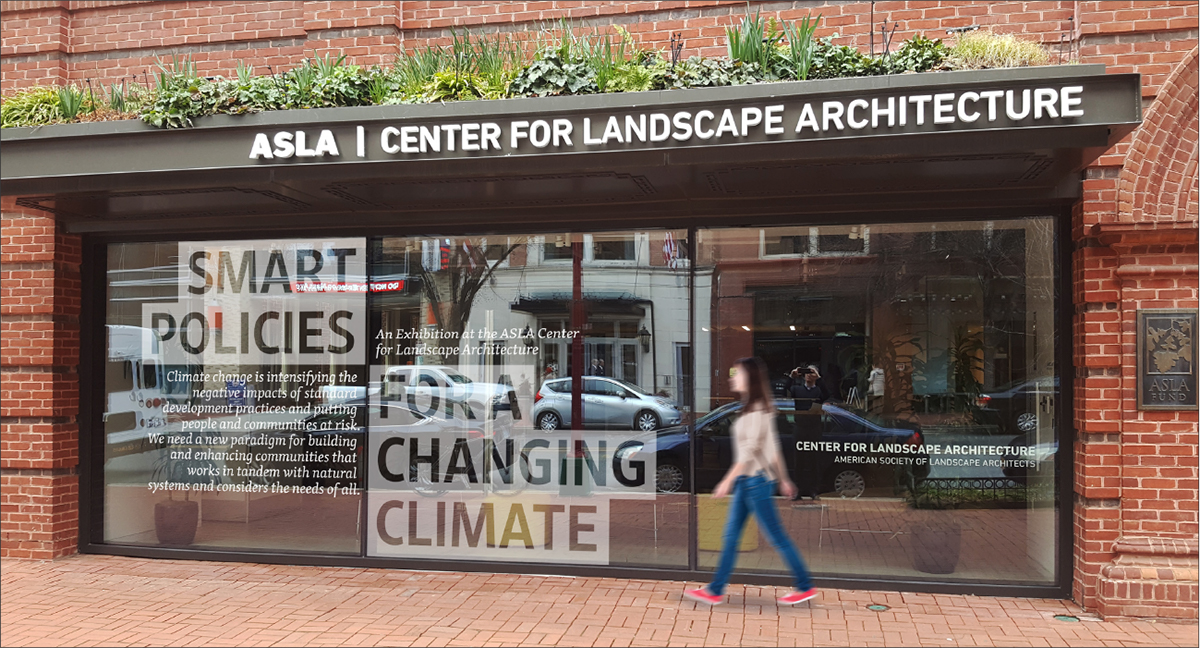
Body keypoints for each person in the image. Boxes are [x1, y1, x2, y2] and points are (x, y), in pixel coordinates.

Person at [684, 357, 818, 607]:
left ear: (750, 378)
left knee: (776, 537)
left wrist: (726, 481)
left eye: (737, 373)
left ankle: (804, 585)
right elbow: (773, 449)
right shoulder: (754, 408)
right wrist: (784, 479)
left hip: (755, 483)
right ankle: (715, 590)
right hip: (751, 482)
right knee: (732, 537)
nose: (732, 377)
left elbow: (749, 453)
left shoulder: (756, 411)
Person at [790, 365, 828, 500]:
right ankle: (798, 490)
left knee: (814, 460)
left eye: (811, 372)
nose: (808, 375)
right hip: (800, 428)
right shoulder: (797, 389)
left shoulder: (818, 391)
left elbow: (828, 395)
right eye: (806, 372)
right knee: (799, 461)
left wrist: (819, 378)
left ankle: (814, 490)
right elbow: (785, 393)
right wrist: (792, 377)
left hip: (814, 428)